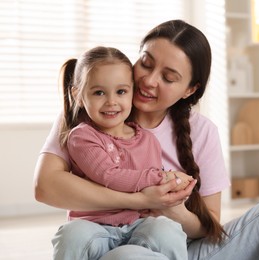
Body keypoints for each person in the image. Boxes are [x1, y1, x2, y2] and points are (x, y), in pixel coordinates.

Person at [34, 20, 259, 260]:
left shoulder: (201, 130)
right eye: (145, 63)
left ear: (189, 90)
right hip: (111, 245)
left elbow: (209, 227)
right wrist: (139, 199)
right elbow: (46, 187)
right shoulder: (91, 112)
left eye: (168, 77)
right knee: (128, 255)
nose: (149, 81)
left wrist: (170, 208)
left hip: (181, 247)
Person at [52, 46, 194, 259]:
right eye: (99, 92)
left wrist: (174, 186)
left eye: (121, 92)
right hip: (95, 228)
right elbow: (110, 175)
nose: (111, 101)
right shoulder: (82, 136)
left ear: (131, 91)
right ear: (78, 96)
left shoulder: (148, 140)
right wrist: (164, 178)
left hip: (138, 224)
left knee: (168, 230)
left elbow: (153, 185)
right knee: (72, 235)